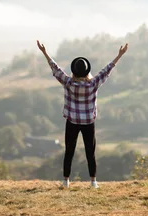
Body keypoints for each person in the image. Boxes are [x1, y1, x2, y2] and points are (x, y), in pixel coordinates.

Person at [36, 39, 128, 189]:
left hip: (72, 122)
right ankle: (93, 181)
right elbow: (107, 70)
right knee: (90, 152)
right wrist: (119, 55)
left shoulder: (68, 83)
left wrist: (44, 52)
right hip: (88, 124)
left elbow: (56, 69)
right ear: (87, 71)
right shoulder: (93, 84)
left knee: (69, 151)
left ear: (74, 71)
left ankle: (66, 181)